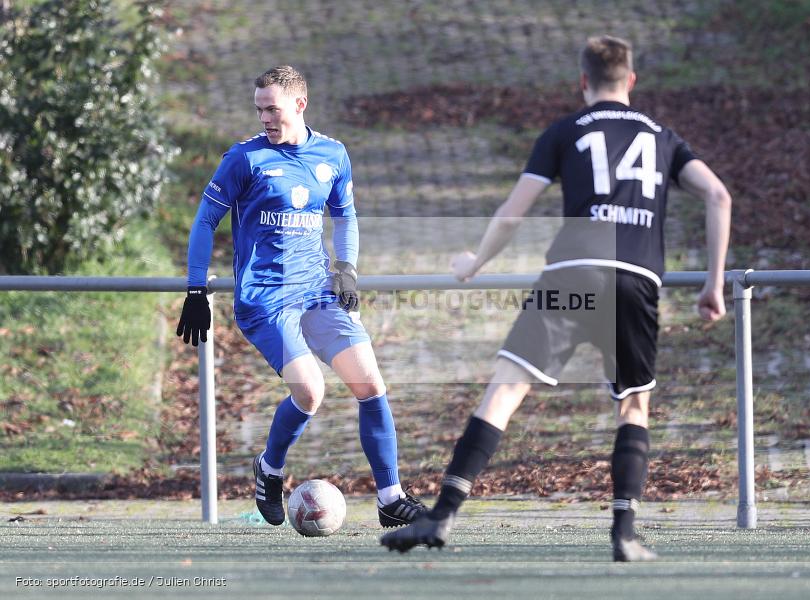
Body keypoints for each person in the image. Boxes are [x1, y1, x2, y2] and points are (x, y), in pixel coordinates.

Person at [381, 35, 732, 561]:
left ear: (583, 81)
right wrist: (713, 283)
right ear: (632, 80)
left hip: (573, 274)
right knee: (634, 404)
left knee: (506, 388)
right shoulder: (663, 137)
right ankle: (624, 534)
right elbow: (719, 195)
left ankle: (442, 515)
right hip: (635, 279)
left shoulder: (566, 131)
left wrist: (474, 263)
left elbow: (513, 212)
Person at [176, 65, 425, 529]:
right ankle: (269, 469)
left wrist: (346, 269)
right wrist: (195, 288)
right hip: (266, 298)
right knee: (310, 392)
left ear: (299, 104)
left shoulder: (332, 154)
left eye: (272, 109)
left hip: (317, 292)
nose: (265, 118)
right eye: (259, 110)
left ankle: (390, 498)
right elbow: (205, 221)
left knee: (370, 385)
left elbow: (345, 217)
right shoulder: (244, 159)